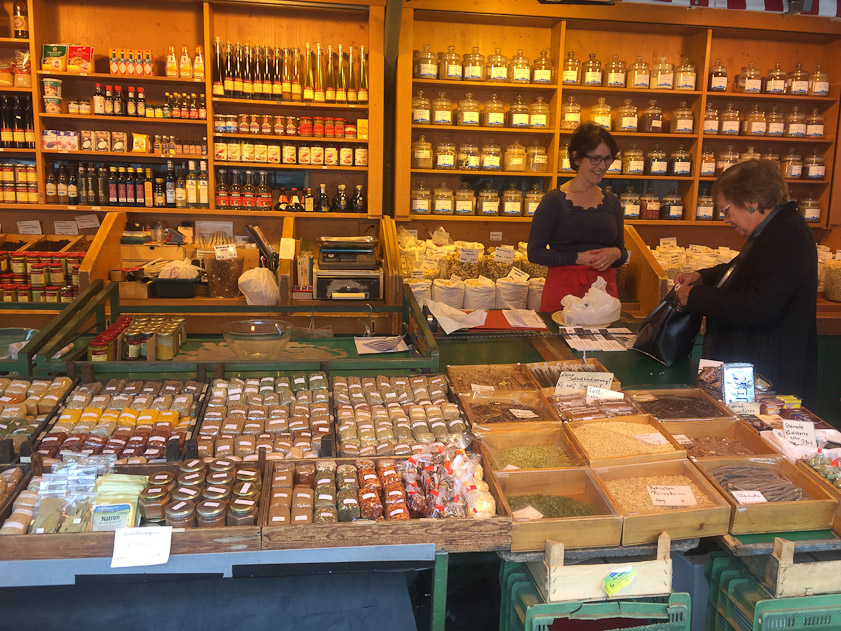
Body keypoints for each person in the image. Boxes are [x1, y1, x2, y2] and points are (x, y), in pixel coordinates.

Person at [674, 159, 818, 404]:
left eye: (726, 210)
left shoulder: (788, 235)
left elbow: (759, 304)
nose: (725, 219)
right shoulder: (772, 230)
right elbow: (743, 269)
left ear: (751, 203)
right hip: (758, 367)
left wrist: (697, 297)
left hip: (771, 374)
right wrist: (702, 276)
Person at [527, 123, 627, 313]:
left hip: (602, 292)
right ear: (577, 157)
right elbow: (534, 253)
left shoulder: (612, 202)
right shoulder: (554, 200)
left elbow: (621, 251)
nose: (602, 166)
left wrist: (616, 253)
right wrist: (577, 258)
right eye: (595, 159)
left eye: (607, 159)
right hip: (564, 291)